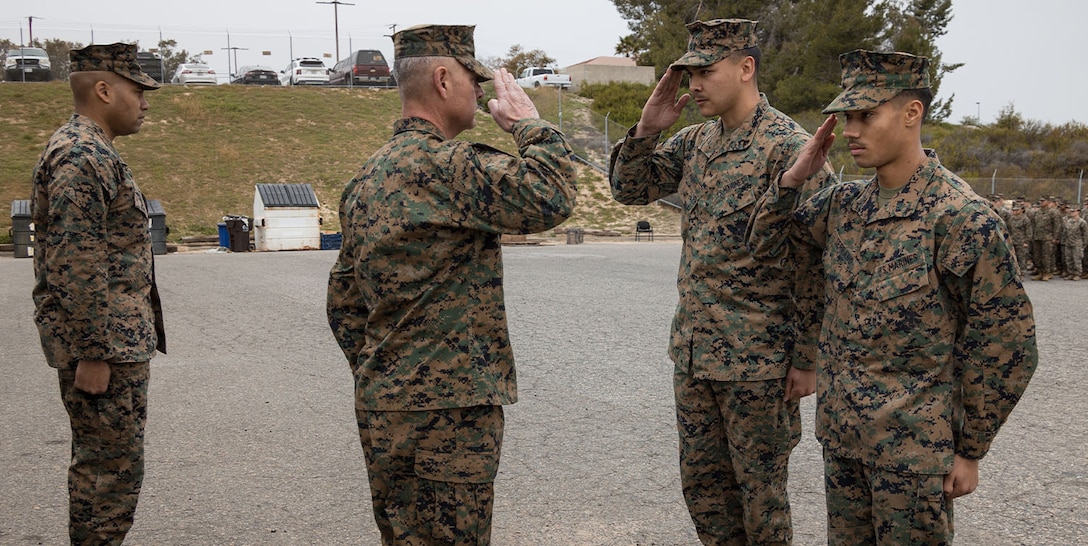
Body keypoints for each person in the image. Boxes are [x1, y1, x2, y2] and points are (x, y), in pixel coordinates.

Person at [748, 49, 1038, 544]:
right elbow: (764, 244)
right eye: (846, 117)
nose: (851, 130)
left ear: (911, 113)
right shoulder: (843, 204)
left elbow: (1007, 344)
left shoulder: (960, 217)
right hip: (842, 440)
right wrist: (793, 179)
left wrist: (970, 449)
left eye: (866, 115)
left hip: (913, 456)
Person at [326, 24, 577, 545]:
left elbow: (344, 302)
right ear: (443, 79)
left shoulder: (366, 178)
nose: (481, 91)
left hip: (384, 406)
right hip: (451, 414)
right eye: (473, 78)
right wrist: (530, 126)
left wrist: (387, 368)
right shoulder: (451, 167)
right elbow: (552, 196)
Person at [609, 18, 834, 545]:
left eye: (706, 71)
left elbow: (816, 262)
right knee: (704, 491)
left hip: (759, 363)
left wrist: (807, 358)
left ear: (746, 67)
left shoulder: (789, 148)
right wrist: (646, 130)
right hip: (694, 352)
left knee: (761, 498)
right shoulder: (696, 142)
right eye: (688, 73)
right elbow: (628, 189)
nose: (693, 85)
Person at [31, 43, 166, 545]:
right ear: (105, 90)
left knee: (114, 470)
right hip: (104, 348)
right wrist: (92, 352)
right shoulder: (81, 155)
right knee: (107, 476)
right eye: (137, 90)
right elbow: (77, 262)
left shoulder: (91, 151)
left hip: (114, 342)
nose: (145, 103)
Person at [1031, 196, 1061, 281]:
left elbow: (1057, 226)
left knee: (1046, 256)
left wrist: (1055, 237)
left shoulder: (1053, 212)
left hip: (1048, 238)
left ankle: (1047, 273)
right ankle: (1040, 272)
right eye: (1040, 201)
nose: (1041, 202)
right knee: (1037, 256)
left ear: (1048, 202)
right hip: (1037, 237)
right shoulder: (1037, 212)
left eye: (1043, 201)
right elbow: (1033, 224)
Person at [1060, 207, 1087, 280]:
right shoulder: (1068, 221)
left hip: (1077, 243)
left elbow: (1085, 234)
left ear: (1078, 212)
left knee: (1077, 259)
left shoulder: (1082, 222)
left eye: (1073, 211)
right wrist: (1063, 241)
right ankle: (1070, 273)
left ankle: (1077, 274)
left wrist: (1084, 244)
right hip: (1068, 243)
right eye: (1071, 211)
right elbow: (1065, 233)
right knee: (1069, 259)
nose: (1071, 213)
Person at [1007, 203, 1034, 275]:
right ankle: (1014, 272)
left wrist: (1026, 242)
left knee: (1021, 257)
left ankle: (1022, 272)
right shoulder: (1011, 218)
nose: (1015, 211)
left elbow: (1029, 231)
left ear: (1021, 210)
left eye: (1017, 210)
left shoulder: (1025, 219)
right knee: (1013, 257)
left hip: (1021, 241)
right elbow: (1009, 229)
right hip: (1012, 240)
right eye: (1013, 210)